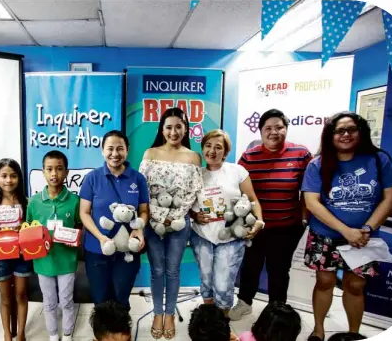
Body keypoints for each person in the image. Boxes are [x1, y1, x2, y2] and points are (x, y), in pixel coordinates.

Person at [301, 112, 392, 341]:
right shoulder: (317, 164)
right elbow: (311, 202)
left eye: (351, 129)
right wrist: (346, 231)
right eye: (339, 131)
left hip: (365, 236)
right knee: (324, 281)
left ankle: (354, 334)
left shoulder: (378, 159)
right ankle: (318, 331)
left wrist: (366, 229)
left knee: (355, 285)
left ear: (360, 131)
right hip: (324, 234)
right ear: (330, 135)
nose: (345, 134)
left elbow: (390, 198)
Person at [230, 109, 312, 321]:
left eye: (279, 127)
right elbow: (237, 188)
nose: (274, 132)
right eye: (268, 128)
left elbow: (311, 189)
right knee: (250, 266)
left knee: (279, 270)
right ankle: (245, 302)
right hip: (255, 226)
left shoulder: (301, 154)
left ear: (286, 129)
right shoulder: (249, 156)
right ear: (260, 132)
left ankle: (276, 310)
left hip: (287, 226)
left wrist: (304, 219)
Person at [139, 107, 204, 339]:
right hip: (153, 222)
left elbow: (194, 191)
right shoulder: (150, 153)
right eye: (169, 127)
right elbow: (142, 189)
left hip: (179, 221)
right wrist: (157, 216)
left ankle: (169, 315)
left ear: (185, 128)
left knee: (173, 270)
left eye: (178, 126)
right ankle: (157, 313)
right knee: (157, 270)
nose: (173, 131)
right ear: (162, 129)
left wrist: (174, 216)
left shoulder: (193, 157)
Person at [189, 130, 264, 314]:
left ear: (226, 152)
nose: (212, 151)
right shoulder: (196, 174)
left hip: (231, 236)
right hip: (202, 235)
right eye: (208, 146)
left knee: (223, 284)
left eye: (218, 147)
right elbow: (186, 204)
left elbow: (252, 199)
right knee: (206, 280)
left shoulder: (237, 171)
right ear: (202, 148)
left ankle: (221, 324)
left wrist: (259, 221)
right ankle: (209, 319)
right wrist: (194, 215)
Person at [79, 130, 148, 309]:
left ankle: (121, 334)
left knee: (121, 297)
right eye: (110, 149)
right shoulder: (92, 178)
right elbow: (84, 212)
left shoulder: (138, 179)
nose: (115, 154)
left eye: (120, 148)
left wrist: (139, 229)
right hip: (97, 248)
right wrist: (101, 237)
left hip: (127, 250)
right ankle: (103, 335)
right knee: (100, 298)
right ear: (102, 150)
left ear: (127, 150)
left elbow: (144, 211)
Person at [26, 151, 81, 341]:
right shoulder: (34, 202)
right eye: (49, 169)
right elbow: (28, 229)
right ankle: (52, 334)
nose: (54, 174)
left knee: (66, 301)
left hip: (66, 261)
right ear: (43, 171)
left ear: (66, 172)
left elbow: (80, 226)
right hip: (43, 261)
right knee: (48, 301)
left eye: (59, 169)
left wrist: (75, 237)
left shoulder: (75, 201)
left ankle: (67, 335)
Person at [0, 159, 32, 341]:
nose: (8, 180)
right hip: (1, 256)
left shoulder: (27, 203)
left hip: (21, 255)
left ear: (19, 178)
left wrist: (25, 228)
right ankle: (7, 333)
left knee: (21, 294)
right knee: (5, 298)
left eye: (13, 176)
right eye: (4, 176)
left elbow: (33, 229)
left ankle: (20, 333)